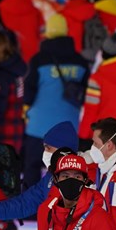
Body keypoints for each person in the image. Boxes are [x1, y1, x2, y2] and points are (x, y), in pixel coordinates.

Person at [21, 14, 88, 188]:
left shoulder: (38, 60)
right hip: (69, 125)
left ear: (48, 33)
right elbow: (85, 92)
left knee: (33, 166)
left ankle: (31, 207)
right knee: (67, 169)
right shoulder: (80, 61)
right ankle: (65, 204)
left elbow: (28, 91)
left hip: (38, 125)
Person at [79, 35, 116, 141]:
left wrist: (83, 136)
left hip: (102, 137)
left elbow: (91, 110)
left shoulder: (96, 79)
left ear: (103, 52)